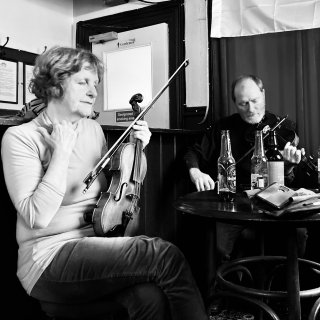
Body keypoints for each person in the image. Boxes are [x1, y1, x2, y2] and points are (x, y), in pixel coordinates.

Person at [1, 46, 208, 320]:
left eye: (95, 84)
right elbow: (37, 217)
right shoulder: (21, 138)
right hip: (48, 258)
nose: (93, 92)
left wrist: (138, 148)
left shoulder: (92, 130)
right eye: (83, 82)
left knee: (149, 298)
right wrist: (61, 153)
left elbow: (122, 183)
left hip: (97, 242)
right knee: (164, 255)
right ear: (54, 85)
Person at [184, 74, 308, 265]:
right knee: (217, 244)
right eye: (243, 104)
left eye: (254, 101)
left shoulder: (284, 129)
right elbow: (194, 151)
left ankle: (283, 290)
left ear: (263, 94)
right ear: (235, 103)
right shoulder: (223, 128)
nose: (250, 109)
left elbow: (289, 182)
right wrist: (195, 171)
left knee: (298, 235)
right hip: (234, 202)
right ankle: (226, 291)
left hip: (272, 201)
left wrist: (289, 165)